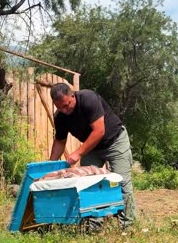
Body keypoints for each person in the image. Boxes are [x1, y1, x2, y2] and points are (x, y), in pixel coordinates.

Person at [49, 83, 136, 229]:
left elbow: (99, 131)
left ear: (72, 95)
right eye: (60, 107)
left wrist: (78, 152)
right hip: (92, 147)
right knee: (87, 184)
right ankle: (95, 225)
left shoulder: (88, 99)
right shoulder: (61, 117)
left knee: (121, 183)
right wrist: (50, 165)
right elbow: (60, 141)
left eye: (67, 105)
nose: (65, 110)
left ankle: (128, 226)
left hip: (115, 141)